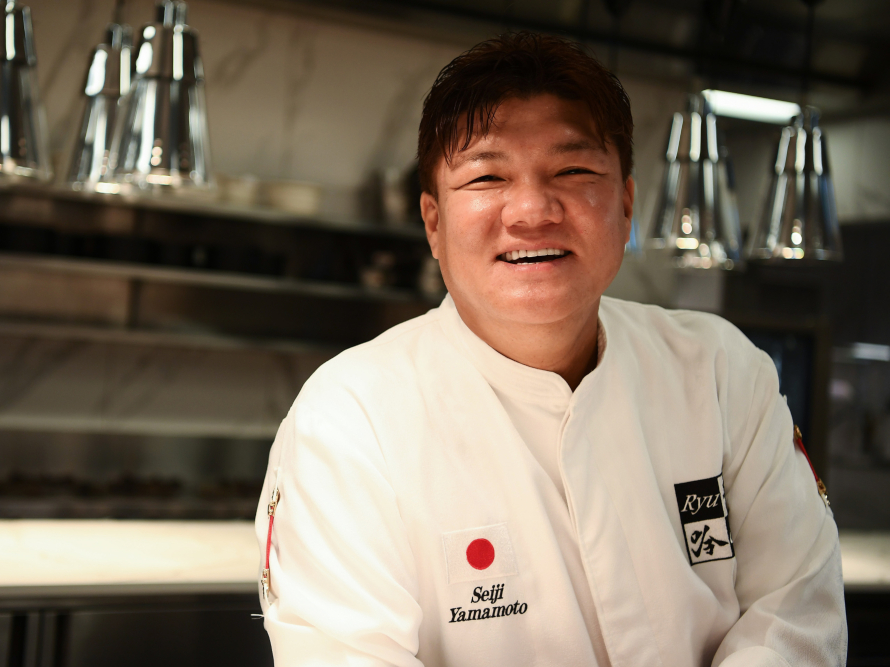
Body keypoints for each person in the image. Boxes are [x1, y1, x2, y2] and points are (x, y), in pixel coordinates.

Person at [255, 32, 847, 667]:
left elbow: (796, 614)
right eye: (487, 176)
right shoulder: (350, 418)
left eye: (573, 170)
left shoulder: (720, 372)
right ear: (433, 222)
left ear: (625, 204)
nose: (532, 210)